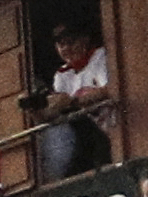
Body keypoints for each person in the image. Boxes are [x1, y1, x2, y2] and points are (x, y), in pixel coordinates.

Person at [23, 21, 114, 180]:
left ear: (84, 40)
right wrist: (36, 110)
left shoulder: (99, 56)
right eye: (61, 44)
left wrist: (72, 102)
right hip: (87, 139)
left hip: (111, 129)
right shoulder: (62, 74)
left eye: (70, 42)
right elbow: (54, 112)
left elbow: (109, 90)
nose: (66, 49)